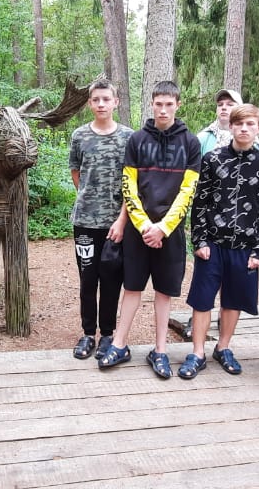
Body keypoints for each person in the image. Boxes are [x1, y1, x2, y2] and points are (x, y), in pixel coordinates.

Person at [98, 80, 201, 379]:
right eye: (159, 104)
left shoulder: (191, 143)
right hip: (138, 230)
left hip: (170, 232)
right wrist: (144, 225)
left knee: (164, 292)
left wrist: (163, 228)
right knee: (132, 287)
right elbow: (128, 185)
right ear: (152, 104)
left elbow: (188, 190)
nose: (163, 110)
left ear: (178, 105)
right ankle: (119, 344)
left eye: (169, 104)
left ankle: (160, 351)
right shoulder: (137, 140)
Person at [178, 104, 259, 380]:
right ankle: (197, 352)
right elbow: (200, 202)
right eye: (239, 124)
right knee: (202, 300)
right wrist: (199, 240)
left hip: (245, 247)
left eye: (250, 124)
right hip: (212, 243)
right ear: (231, 126)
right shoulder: (213, 159)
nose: (244, 129)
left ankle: (223, 347)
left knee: (233, 300)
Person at [68, 80, 132, 360]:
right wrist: (88, 197)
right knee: (87, 279)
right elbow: (76, 172)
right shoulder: (79, 136)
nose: (101, 104)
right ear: (89, 104)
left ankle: (107, 334)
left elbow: (132, 182)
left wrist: (121, 220)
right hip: (84, 221)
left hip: (115, 224)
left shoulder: (129, 137)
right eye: (96, 100)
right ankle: (87, 334)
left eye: (106, 99)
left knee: (111, 280)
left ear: (116, 102)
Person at [197, 88, 242, 155]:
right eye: (220, 105)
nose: (223, 108)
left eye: (230, 104)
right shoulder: (203, 138)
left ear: (240, 109)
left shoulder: (248, 138)